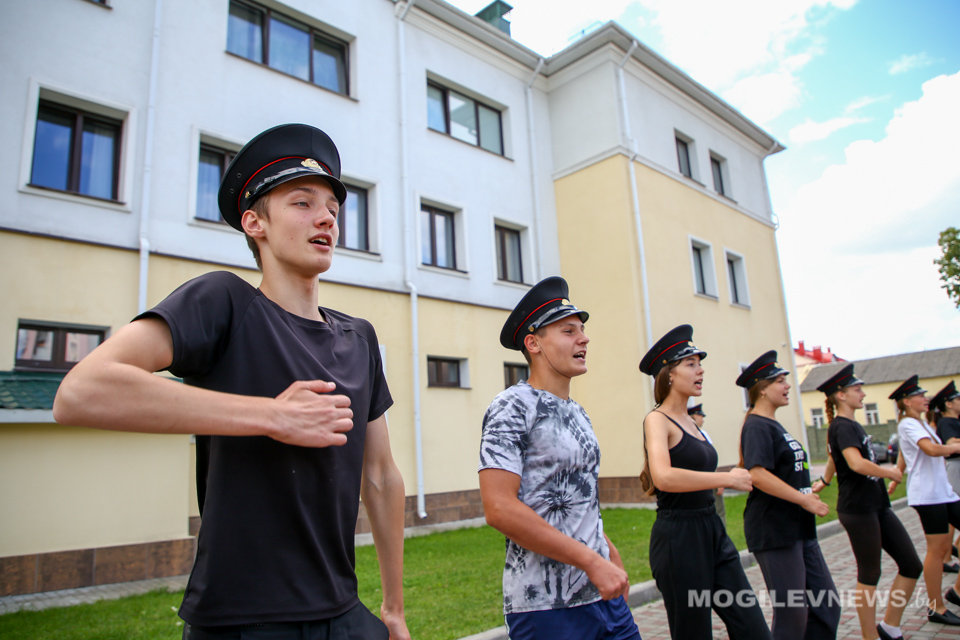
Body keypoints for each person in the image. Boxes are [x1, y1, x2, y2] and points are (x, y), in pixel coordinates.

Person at [52, 124, 410, 640]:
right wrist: (273, 415)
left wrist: (394, 609)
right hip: (241, 620)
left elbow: (380, 476)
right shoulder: (224, 302)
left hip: (345, 615)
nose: (327, 217)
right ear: (254, 222)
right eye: (303, 203)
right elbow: (81, 392)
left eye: (333, 207)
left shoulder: (359, 337)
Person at [478, 276, 641, 640]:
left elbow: (579, 501)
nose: (584, 339)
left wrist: (609, 555)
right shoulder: (511, 406)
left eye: (582, 330)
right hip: (547, 608)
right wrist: (592, 561)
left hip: (602, 595)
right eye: (569, 331)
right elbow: (499, 508)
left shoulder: (578, 412)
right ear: (533, 343)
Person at [639, 325, 770, 639]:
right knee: (694, 633)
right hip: (679, 538)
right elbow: (663, 477)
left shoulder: (692, 422)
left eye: (700, 363)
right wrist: (727, 478)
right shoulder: (657, 419)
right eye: (691, 364)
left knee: (753, 629)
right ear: (670, 374)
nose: (701, 370)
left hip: (712, 530)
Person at [813, 364, 921, 640]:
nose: (862, 393)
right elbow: (855, 463)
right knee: (870, 573)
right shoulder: (842, 426)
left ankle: (889, 627)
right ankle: (869, 636)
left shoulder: (849, 425)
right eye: (857, 389)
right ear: (841, 395)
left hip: (877, 505)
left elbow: (833, 458)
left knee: (911, 564)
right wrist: (889, 472)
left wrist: (824, 481)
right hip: (858, 509)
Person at [738, 350, 840, 640]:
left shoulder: (773, 424)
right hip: (775, 530)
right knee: (792, 615)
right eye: (780, 381)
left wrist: (809, 494)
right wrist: (803, 499)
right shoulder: (756, 425)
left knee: (826, 606)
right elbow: (757, 474)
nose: (787, 386)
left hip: (799, 528)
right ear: (761, 388)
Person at [887, 375, 960, 625]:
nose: (925, 398)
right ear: (907, 401)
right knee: (937, 550)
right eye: (919, 395)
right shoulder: (908, 424)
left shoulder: (921, 423)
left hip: (944, 492)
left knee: (942, 548)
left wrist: (896, 477)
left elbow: (905, 454)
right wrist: (955, 447)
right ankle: (936, 607)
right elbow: (930, 449)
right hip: (928, 495)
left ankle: (956, 592)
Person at [932, 381, 960, 572]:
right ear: (948, 404)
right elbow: (951, 443)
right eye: (958, 399)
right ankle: (947, 555)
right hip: (956, 467)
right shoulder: (946, 422)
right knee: (954, 512)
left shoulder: (955, 420)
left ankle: (952, 550)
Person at [688, 403, 727, 528]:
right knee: (717, 511)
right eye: (701, 416)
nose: (703, 420)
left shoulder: (702, 433)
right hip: (705, 479)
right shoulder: (698, 433)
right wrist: (718, 479)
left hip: (706, 478)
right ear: (694, 416)